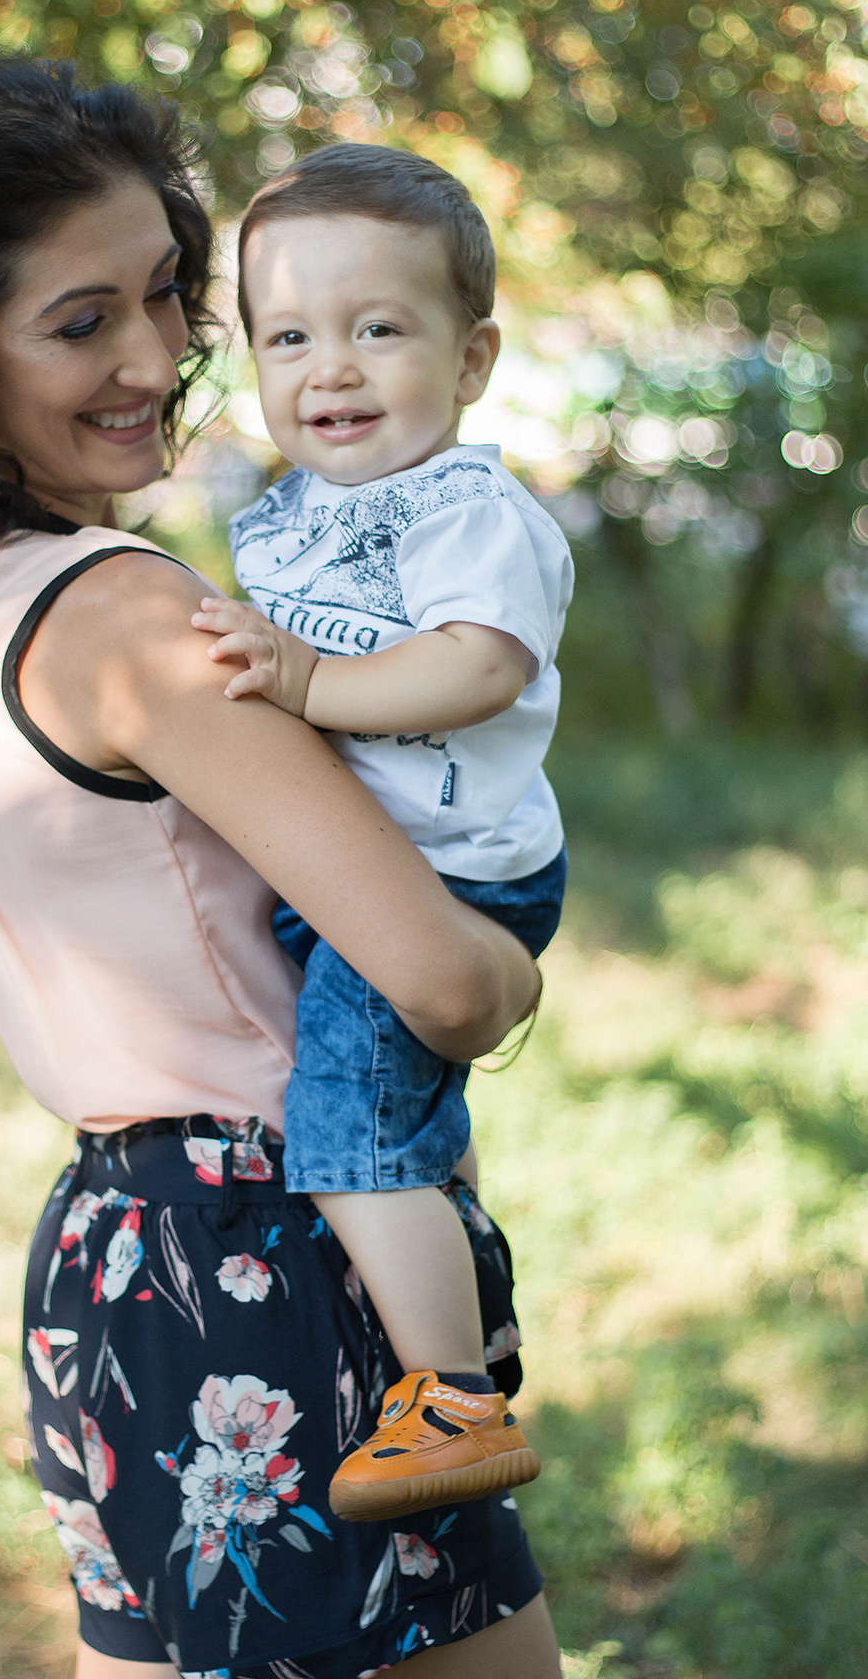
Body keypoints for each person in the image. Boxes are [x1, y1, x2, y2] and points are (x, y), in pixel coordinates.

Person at [0, 54, 562, 1679]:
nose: (153, 361)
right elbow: (439, 980)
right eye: (80, 322)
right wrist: (513, 967)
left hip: (111, 1261)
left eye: (166, 299)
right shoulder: (130, 616)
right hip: (279, 1253)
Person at [190, 147, 572, 1524]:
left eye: (377, 329)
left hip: (455, 867)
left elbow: (475, 666)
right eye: (288, 335)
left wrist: (305, 682)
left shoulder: (468, 508)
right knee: (404, 1108)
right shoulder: (293, 514)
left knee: (345, 1120)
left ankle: (452, 1399)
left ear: (470, 360)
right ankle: (472, 1286)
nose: (330, 369)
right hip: (372, 855)